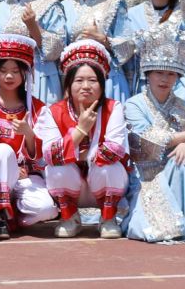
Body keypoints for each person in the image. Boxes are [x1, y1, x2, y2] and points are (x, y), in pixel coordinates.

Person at [120, 26, 185, 245]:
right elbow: (149, 138)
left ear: (178, 77)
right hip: (146, 175)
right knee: (184, 164)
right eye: (159, 73)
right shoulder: (134, 104)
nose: (164, 79)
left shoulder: (184, 106)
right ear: (148, 74)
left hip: (178, 165)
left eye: (171, 74)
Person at [34, 41, 129, 239]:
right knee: (57, 169)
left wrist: (74, 154)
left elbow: (115, 150)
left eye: (93, 80)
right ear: (68, 84)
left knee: (110, 166)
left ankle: (108, 218)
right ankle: (70, 218)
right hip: (73, 185)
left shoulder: (114, 108)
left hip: (102, 182)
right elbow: (50, 155)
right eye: (79, 80)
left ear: (102, 84)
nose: (86, 86)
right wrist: (81, 130)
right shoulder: (53, 112)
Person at [0, 35, 58, 236]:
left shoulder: (37, 107)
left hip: (25, 175)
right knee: (3, 150)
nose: (9, 76)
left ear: (25, 73)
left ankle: (12, 216)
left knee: (46, 210)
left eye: (15, 71)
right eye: (3, 71)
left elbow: (43, 156)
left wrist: (29, 134)